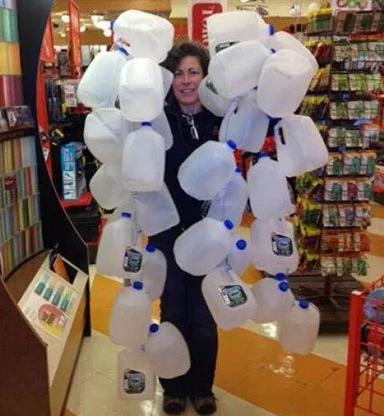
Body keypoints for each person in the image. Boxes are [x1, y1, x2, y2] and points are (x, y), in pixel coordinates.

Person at [148, 42, 222, 415]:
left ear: (205, 77)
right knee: (174, 310)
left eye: (194, 72)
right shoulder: (156, 121)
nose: (186, 81)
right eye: (178, 73)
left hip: (209, 231)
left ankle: (202, 388)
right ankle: (174, 388)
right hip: (166, 229)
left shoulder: (220, 119)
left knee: (205, 316)